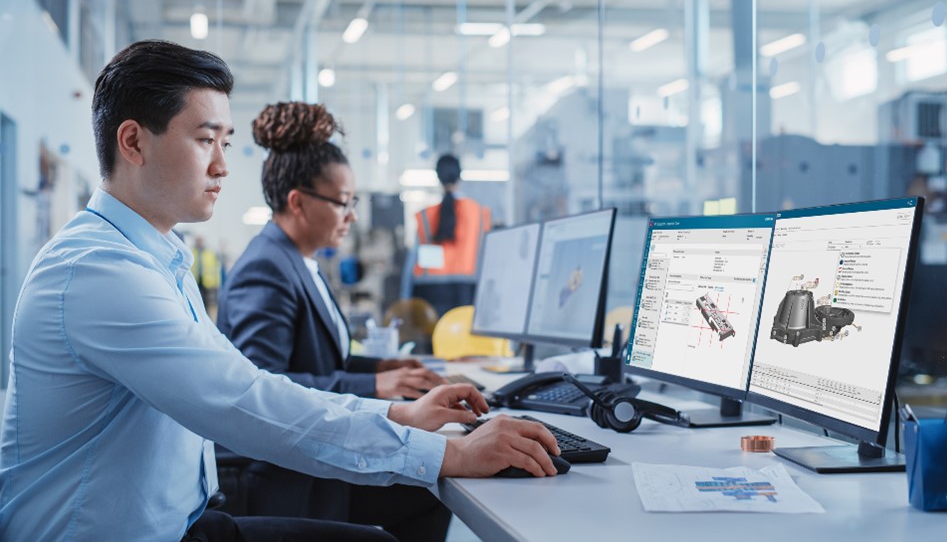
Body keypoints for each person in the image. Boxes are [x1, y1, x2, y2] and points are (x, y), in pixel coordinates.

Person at [0, 40, 561, 542]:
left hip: (186, 521)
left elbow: (252, 382)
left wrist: (399, 415)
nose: (222, 165)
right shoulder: (100, 272)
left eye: (225, 142)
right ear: (133, 142)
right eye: (205, 141)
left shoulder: (157, 258)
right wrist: (448, 452)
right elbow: (243, 403)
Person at [216, 102, 449, 540]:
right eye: (343, 203)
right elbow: (267, 386)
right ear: (298, 202)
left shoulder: (300, 261)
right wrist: (376, 389)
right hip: (276, 476)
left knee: (427, 489)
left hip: (303, 458)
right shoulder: (265, 268)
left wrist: (385, 370)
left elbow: (325, 359)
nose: (352, 216)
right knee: (426, 486)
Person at [409, 154, 491, 317]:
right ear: (460, 175)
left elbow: (413, 261)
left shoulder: (426, 215)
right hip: (468, 291)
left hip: (431, 293)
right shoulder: (480, 213)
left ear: (437, 177)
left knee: (435, 341)